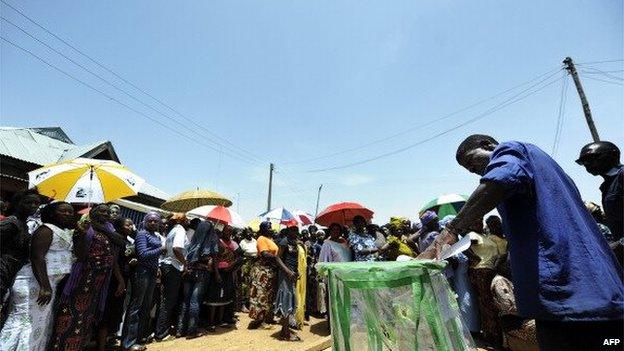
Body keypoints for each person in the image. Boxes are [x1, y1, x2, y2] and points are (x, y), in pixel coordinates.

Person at [420, 134, 624, 350]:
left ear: (488, 145)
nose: (475, 171)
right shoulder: (544, 170)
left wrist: (449, 232)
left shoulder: (512, 151)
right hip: (593, 292)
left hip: (569, 295)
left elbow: (499, 180)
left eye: (472, 162)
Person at [49, 204, 126, 351]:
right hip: (81, 279)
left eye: (108, 212)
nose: (105, 214)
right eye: (102, 211)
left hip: (98, 284)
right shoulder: (85, 228)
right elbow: (80, 255)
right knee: (70, 314)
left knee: (86, 319)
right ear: (93, 212)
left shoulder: (110, 230)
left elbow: (115, 253)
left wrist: (120, 279)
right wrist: (83, 234)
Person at [0, 201, 75, 350]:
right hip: (34, 283)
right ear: (52, 213)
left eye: (70, 212)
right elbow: (37, 257)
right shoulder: (45, 230)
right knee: (23, 323)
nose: (68, 214)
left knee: (36, 325)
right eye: (63, 211)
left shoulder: (64, 231)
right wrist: (44, 286)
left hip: (47, 284)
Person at [121, 212, 165, 351]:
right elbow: (143, 254)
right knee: (136, 306)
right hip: (142, 272)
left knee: (146, 306)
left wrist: (157, 266)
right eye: (150, 221)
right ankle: (128, 342)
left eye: (156, 221)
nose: (153, 223)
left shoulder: (155, 235)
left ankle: (139, 338)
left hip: (151, 272)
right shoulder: (142, 234)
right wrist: (161, 249)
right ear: (145, 222)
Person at [0, 189, 41, 326]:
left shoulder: (23, 224)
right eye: (29, 202)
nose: (33, 206)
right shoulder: (11, 223)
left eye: (36, 203)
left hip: (9, 272)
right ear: (18, 203)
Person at [97, 217, 137, 351]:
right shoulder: (115, 240)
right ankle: (101, 346)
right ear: (119, 226)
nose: (131, 227)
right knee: (107, 313)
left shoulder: (127, 241)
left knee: (115, 312)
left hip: (123, 278)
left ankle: (109, 342)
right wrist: (120, 281)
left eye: (132, 225)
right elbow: (113, 262)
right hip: (113, 280)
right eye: (127, 225)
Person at [176, 221, 218, 338]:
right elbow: (213, 259)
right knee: (195, 301)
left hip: (189, 271)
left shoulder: (193, 239)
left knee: (186, 300)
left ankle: (180, 330)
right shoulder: (212, 240)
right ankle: (192, 331)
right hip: (202, 273)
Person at [576, 141, 623, 240]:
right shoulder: (607, 186)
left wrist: (621, 244)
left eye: (591, 158)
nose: (587, 164)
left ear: (613, 155)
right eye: (583, 162)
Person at [154, 213, 188, 341]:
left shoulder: (172, 230)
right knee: (169, 301)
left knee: (166, 300)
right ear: (182, 221)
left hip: (166, 265)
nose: (188, 222)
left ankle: (161, 329)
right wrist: (185, 264)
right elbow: (177, 249)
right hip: (173, 267)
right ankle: (161, 333)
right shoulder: (180, 230)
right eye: (186, 220)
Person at [205, 224, 242, 332]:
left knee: (224, 297)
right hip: (218, 272)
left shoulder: (234, 244)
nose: (228, 233)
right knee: (214, 297)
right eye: (227, 231)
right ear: (223, 231)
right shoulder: (218, 242)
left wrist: (232, 265)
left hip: (228, 273)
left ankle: (220, 321)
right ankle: (211, 322)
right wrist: (216, 273)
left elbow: (239, 257)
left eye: (230, 231)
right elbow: (215, 258)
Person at [248, 221, 280, 329]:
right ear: (262, 229)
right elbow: (264, 254)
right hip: (262, 270)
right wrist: (276, 259)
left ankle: (266, 318)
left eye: (271, 227)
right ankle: (259, 321)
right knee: (260, 296)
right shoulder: (261, 239)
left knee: (268, 295)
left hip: (270, 270)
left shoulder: (270, 239)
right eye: (269, 227)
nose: (271, 229)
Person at [274, 225, 301, 341]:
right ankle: (285, 333)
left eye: (296, 230)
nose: (294, 232)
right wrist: (288, 271)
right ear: (288, 230)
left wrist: (296, 271)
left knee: (289, 300)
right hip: (285, 275)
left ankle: (284, 330)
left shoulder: (295, 242)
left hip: (292, 274)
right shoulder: (285, 242)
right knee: (285, 300)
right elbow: (277, 258)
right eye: (292, 229)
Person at [238, 228, 257, 312]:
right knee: (244, 284)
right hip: (246, 263)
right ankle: (242, 304)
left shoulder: (255, 241)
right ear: (245, 234)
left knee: (252, 282)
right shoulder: (242, 242)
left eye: (250, 233)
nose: (249, 234)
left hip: (254, 262)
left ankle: (249, 303)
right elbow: (240, 254)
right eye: (248, 233)